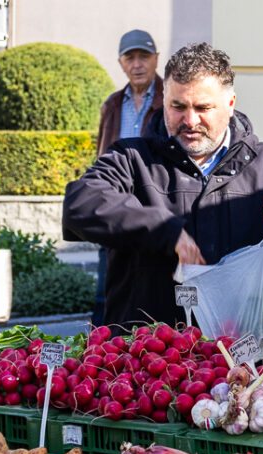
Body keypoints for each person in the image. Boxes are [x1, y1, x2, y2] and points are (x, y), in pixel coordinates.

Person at [63, 42, 263, 327]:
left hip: (242, 361)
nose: (190, 120)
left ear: (230, 104)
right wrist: (163, 230)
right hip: (145, 361)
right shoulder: (130, 158)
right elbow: (81, 203)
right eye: (178, 106)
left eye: (203, 107)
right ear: (164, 100)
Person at [92, 29, 165, 325]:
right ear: (121, 63)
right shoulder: (111, 105)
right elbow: (100, 156)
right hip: (115, 210)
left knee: (154, 294)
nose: (137, 64)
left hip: (153, 208)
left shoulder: (168, 101)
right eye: (130, 57)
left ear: (156, 60)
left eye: (144, 57)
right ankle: (98, 355)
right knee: (105, 292)